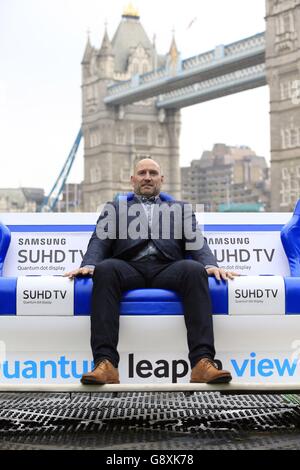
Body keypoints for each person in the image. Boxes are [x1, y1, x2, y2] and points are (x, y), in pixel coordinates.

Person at [65, 158, 238, 385]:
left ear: (161, 179)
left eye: (153, 173)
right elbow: (100, 240)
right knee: (104, 270)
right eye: (142, 172)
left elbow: (197, 242)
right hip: (127, 266)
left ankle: (202, 362)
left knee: (195, 270)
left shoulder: (180, 209)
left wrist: (211, 264)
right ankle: (105, 363)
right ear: (133, 179)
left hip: (168, 267)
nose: (148, 177)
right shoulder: (115, 208)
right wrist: (89, 264)